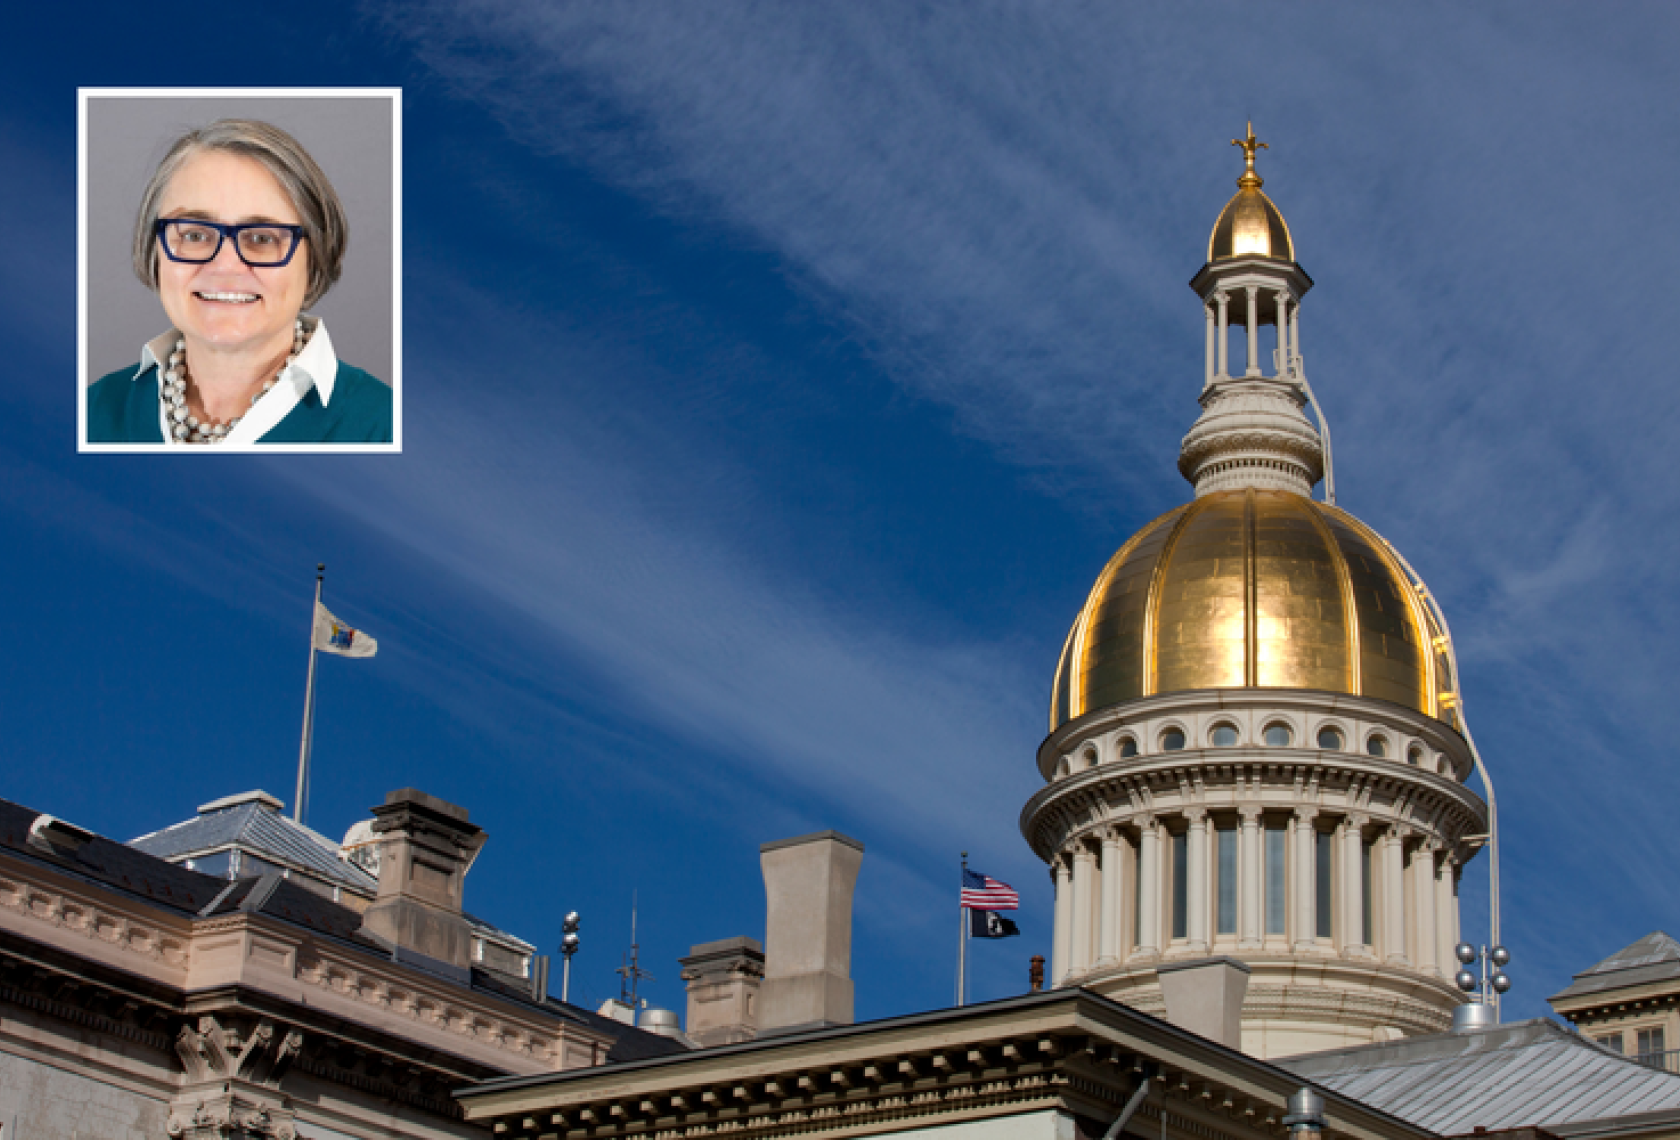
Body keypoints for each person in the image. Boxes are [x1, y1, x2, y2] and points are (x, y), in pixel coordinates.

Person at [87, 119, 392, 445]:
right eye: (194, 234)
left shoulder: (385, 426)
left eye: (262, 237)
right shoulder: (93, 411)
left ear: (315, 255)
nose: (225, 265)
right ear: (153, 249)